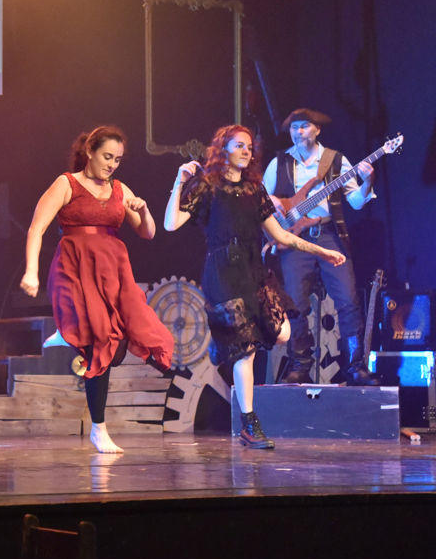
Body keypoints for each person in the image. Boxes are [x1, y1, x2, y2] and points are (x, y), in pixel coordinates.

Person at [164, 125, 346, 448]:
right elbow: (171, 223)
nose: (247, 151)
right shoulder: (207, 186)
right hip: (222, 272)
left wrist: (324, 251)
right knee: (245, 352)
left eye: (249, 147)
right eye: (239, 146)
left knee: (284, 332)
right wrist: (180, 181)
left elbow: (281, 235)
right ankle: (250, 424)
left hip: (252, 269)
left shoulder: (254, 190)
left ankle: (225, 344)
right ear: (224, 150)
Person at [20, 127, 174, 454]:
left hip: (114, 271)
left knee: (118, 347)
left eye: (117, 159)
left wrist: (143, 209)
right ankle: (99, 428)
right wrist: (31, 271)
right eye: (107, 157)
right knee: (98, 348)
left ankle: (69, 332)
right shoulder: (67, 183)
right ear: (90, 150)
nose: (112, 165)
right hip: (74, 268)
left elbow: (148, 233)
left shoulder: (120, 189)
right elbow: (37, 227)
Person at [263, 109, 379, 385]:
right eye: (294, 128)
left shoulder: (336, 160)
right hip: (293, 238)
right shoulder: (278, 162)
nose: (298, 132)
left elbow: (356, 201)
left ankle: (355, 366)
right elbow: (259, 199)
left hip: (327, 232)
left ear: (317, 130)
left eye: (304, 127)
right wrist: (272, 200)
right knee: (295, 303)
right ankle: (300, 363)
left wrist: (368, 181)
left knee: (347, 300)